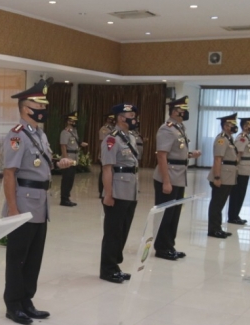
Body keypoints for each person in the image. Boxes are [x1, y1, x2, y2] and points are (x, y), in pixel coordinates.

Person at [3, 79, 72, 325]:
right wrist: (12, 208)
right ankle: (13, 304)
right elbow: (9, 173)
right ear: (25, 108)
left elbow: (43, 163)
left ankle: (27, 301)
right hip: (23, 203)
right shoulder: (17, 135)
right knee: (18, 257)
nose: (43, 106)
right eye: (38, 102)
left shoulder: (39, 134)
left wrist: (58, 163)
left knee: (34, 257)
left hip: (41, 203)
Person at [152, 96, 201, 260]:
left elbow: (176, 152)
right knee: (165, 214)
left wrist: (189, 154)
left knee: (174, 214)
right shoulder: (166, 129)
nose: (185, 112)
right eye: (183, 110)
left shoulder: (179, 128)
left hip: (179, 176)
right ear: (174, 111)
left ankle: (169, 245)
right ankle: (161, 247)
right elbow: (162, 156)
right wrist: (166, 181)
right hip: (169, 176)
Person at [100, 104, 140, 283]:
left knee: (123, 230)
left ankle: (115, 265)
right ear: (121, 118)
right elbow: (107, 169)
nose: (135, 118)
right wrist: (108, 194)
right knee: (113, 232)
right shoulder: (111, 139)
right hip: (117, 190)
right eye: (131, 115)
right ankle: (107, 269)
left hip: (130, 190)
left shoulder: (130, 137)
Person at [207, 113, 239, 238]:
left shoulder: (229, 138)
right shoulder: (221, 139)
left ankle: (217, 227)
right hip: (222, 176)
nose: (234, 127)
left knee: (220, 203)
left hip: (228, 175)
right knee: (217, 203)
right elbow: (217, 159)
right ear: (225, 126)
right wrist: (217, 177)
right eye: (232, 124)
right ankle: (213, 229)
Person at [227, 116, 250, 225]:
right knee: (237, 193)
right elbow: (238, 154)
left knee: (241, 193)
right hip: (241, 169)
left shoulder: (248, 137)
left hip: (246, 168)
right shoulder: (242, 137)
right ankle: (233, 216)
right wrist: (235, 168)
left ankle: (236, 215)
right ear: (244, 126)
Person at [58, 111, 87, 206]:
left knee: (71, 179)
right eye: (72, 121)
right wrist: (65, 159)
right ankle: (64, 199)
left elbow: (74, 143)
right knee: (66, 179)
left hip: (74, 157)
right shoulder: (65, 132)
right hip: (69, 157)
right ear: (68, 121)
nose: (74, 123)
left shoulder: (74, 132)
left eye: (74, 121)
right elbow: (63, 146)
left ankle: (67, 197)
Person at [98, 113, 116, 197]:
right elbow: (102, 142)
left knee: (111, 172)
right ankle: (101, 191)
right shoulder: (104, 129)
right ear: (106, 119)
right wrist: (102, 154)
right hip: (105, 152)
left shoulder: (114, 129)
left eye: (112, 119)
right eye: (109, 119)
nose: (111, 121)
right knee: (104, 172)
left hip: (112, 153)